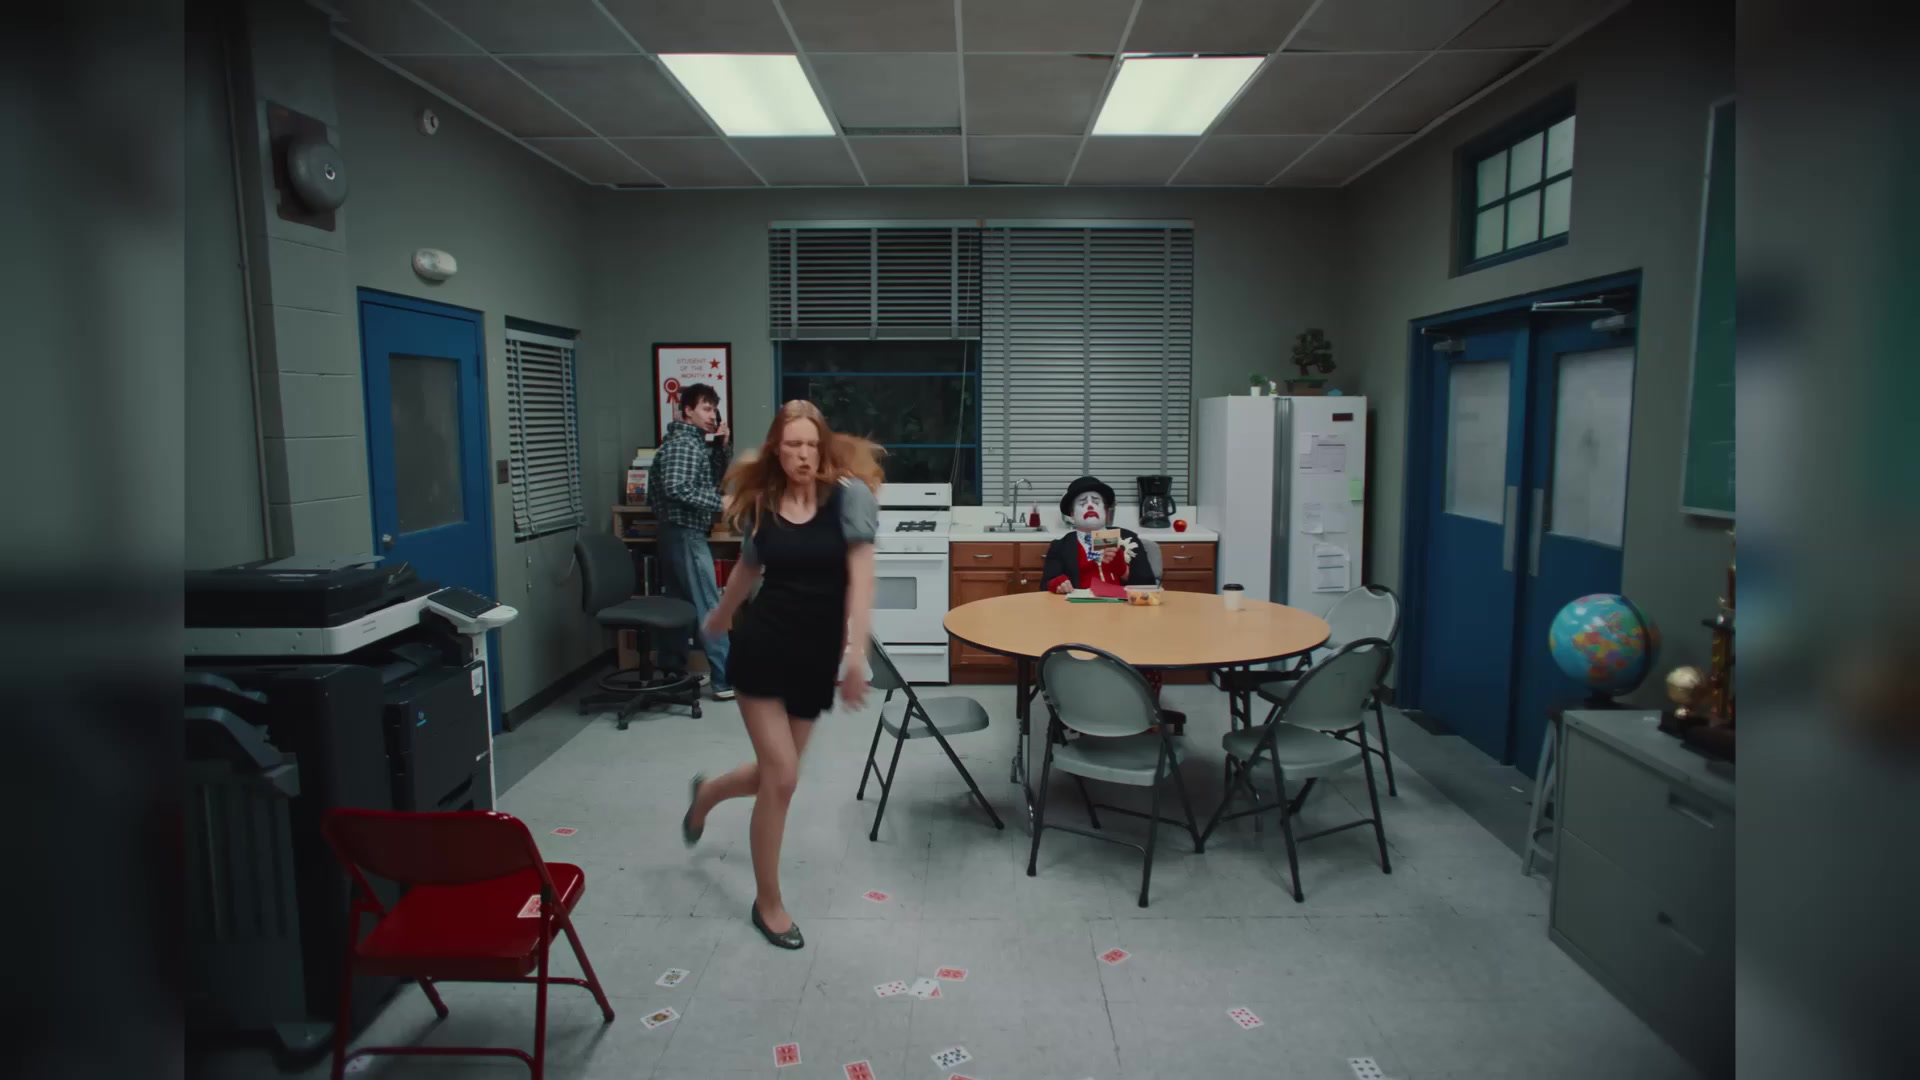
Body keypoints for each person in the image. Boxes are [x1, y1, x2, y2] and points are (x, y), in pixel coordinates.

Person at [677, 400, 882, 950]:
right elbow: (749, 569)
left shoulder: (849, 499)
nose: (805, 454)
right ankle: (767, 903)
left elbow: (861, 578)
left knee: (774, 773)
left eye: (812, 444)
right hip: (763, 648)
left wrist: (855, 653)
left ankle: (708, 794)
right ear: (777, 449)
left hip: (815, 656)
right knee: (784, 778)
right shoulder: (763, 503)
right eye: (794, 444)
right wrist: (720, 616)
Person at [1040, 476, 1186, 733]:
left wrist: (1123, 569)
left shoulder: (1127, 538)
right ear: (1071, 515)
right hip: (1079, 621)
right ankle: (1083, 709)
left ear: (1107, 512)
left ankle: (1143, 710)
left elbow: (1148, 585)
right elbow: (1045, 585)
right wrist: (1057, 582)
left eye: (1096, 501)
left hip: (1126, 620)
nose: (1090, 505)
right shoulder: (1062, 546)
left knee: (1144, 649)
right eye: (1082, 502)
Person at [648, 383, 734, 699]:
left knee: (680, 605)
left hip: (676, 534)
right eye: (706, 408)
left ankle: (673, 672)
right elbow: (678, 488)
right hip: (686, 534)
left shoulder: (690, 443)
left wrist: (721, 446)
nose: (712, 415)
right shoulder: (684, 445)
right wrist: (719, 503)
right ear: (687, 410)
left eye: (714, 409)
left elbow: (707, 479)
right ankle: (724, 680)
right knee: (710, 605)